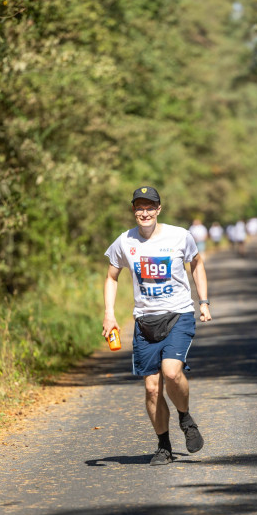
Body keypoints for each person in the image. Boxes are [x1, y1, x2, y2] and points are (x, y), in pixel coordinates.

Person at [102, 186, 212, 466]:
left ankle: (185, 418)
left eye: (150, 207)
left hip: (178, 315)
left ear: (159, 209)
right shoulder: (124, 241)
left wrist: (203, 302)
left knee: (172, 372)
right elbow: (112, 277)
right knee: (152, 388)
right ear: (133, 210)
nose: (144, 212)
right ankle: (163, 446)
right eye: (139, 207)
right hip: (144, 321)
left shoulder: (179, 236)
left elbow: (196, 265)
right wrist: (109, 314)